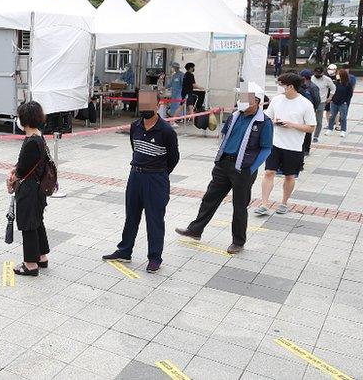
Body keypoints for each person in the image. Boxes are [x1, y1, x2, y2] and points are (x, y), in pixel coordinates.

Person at [175, 83, 273, 253]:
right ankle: (195, 230)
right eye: (240, 98)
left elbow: (266, 149)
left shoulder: (264, 122)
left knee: (240, 206)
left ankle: (238, 241)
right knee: (210, 198)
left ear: (256, 101)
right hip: (224, 164)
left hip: (244, 168)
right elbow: (225, 135)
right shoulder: (235, 116)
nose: (240, 102)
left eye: (245, 98)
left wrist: (251, 169)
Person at [102, 90, 179, 273]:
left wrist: (158, 172)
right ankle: (124, 250)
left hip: (156, 178)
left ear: (157, 105)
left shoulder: (166, 131)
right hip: (135, 176)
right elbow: (135, 149)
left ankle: (154, 257)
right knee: (131, 216)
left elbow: (173, 158)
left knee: (154, 219)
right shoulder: (135, 126)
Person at [253, 72, 316, 216]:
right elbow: (267, 117)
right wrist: (273, 122)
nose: (279, 87)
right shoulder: (277, 100)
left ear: (290, 87)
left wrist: (292, 125)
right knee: (269, 172)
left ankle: (284, 202)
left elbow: (311, 127)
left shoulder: (305, 104)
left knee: (289, 176)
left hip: (293, 146)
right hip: (274, 143)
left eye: (281, 85)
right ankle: (264, 204)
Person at [7, 101, 52, 276]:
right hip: (38, 188)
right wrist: (16, 169)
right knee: (37, 222)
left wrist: (12, 179)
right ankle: (42, 256)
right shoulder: (39, 137)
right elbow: (28, 163)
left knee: (28, 225)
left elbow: (23, 170)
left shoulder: (32, 141)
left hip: (29, 189)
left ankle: (30, 264)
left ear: (24, 119)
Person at [326, 68, 355, 137]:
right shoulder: (335, 83)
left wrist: (346, 102)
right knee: (332, 116)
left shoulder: (348, 84)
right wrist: (331, 99)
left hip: (343, 103)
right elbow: (332, 91)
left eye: (338, 74)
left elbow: (349, 94)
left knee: (343, 117)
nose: (337, 75)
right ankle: (330, 129)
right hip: (334, 102)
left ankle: (343, 130)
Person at [298, 69, 320, 156]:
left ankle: (307, 149)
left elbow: (317, 100)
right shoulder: (300, 86)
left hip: (309, 111)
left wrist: (313, 110)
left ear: (304, 78)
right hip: (300, 111)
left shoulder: (313, 87)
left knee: (308, 131)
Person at [311, 66, 335, 142]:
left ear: (322, 73)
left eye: (319, 73)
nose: (317, 74)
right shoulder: (312, 78)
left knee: (319, 120)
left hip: (321, 102)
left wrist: (330, 97)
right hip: (311, 102)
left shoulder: (327, 79)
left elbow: (333, 88)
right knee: (309, 119)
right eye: (316, 73)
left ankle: (316, 136)